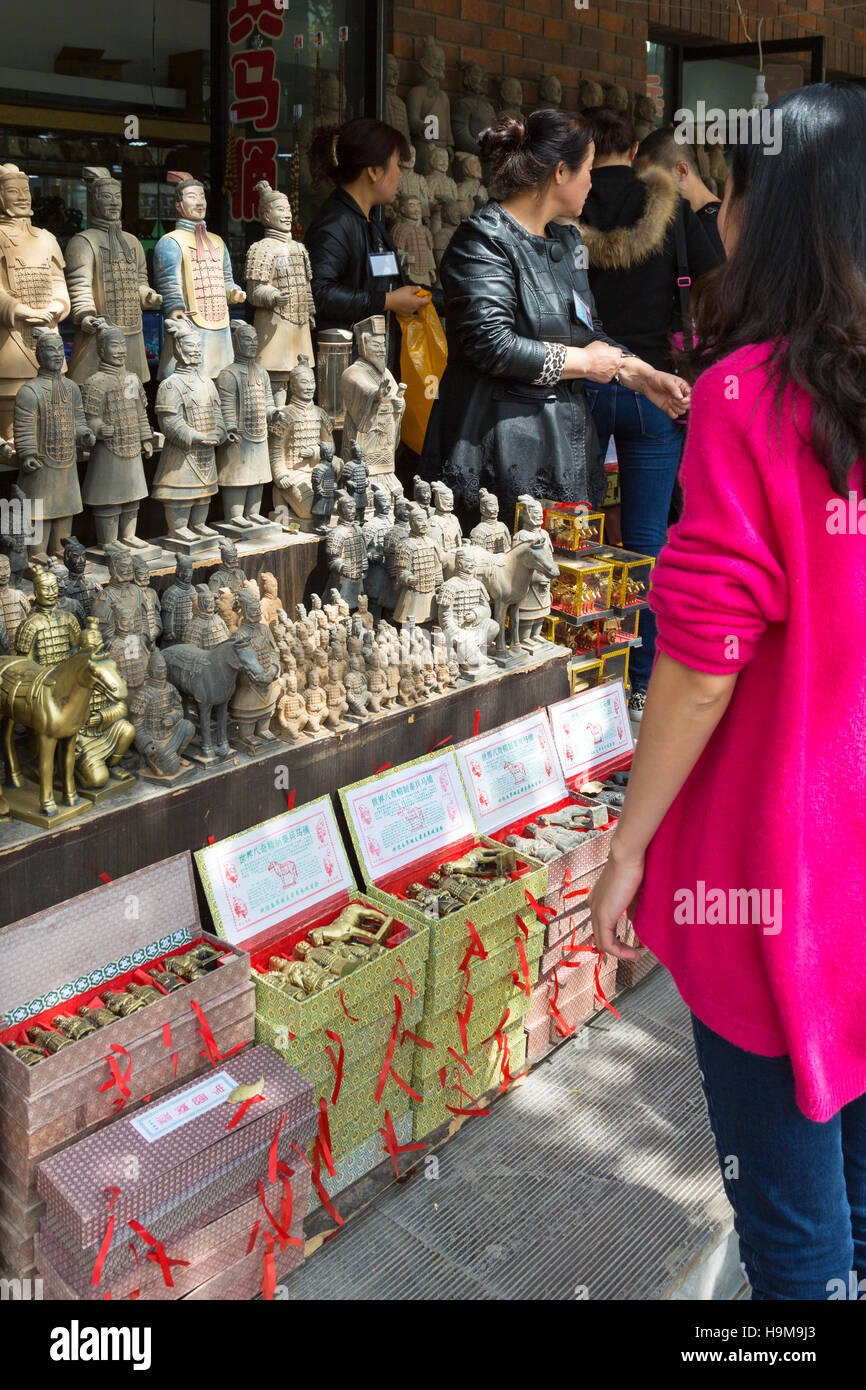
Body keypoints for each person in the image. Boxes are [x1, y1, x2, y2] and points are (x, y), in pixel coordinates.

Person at [587, 82, 866, 1302]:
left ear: (780, 210)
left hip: (775, 872)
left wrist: (628, 844)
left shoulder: (750, 399)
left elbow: (700, 663)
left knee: (793, 1235)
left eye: (736, 191)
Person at [421, 109, 689, 530]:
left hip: (563, 448)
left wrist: (641, 375)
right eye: (587, 169)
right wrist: (582, 364)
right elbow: (492, 344)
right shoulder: (482, 239)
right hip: (499, 451)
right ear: (561, 172)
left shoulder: (565, 239)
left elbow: (591, 332)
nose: (592, 181)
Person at [577, 107, 723, 729]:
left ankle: (576, 679)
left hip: (581, 382)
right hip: (656, 386)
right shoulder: (669, 206)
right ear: (635, 147)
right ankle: (637, 687)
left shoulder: (565, 203)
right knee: (646, 544)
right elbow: (716, 275)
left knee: (574, 534)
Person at [304, 117, 430, 337]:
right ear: (373, 171)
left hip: (374, 359)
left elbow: (394, 284)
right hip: (343, 364)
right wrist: (388, 301)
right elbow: (319, 294)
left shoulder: (372, 224)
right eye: (397, 165)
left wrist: (456, 298)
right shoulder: (334, 224)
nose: (400, 175)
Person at [634, 125, 725, 259]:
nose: (646, 193)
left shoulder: (710, 229)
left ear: (681, 171)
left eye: (653, 182)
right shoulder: (717, 219)